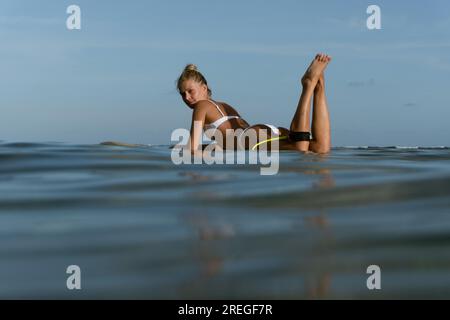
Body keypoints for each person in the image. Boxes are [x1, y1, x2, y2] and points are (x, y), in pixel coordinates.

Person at [177, 53, 332, 154]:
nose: (187, 97)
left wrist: (177, 148)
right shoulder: (223, 106)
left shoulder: (201, 106)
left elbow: (192, 148)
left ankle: (308, 86)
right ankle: (319, 86)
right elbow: (228, 140)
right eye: (183, 94)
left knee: (300, 149)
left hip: (255, 139)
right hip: (263, 133)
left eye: (190, 91)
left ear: (204, 88)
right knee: (320, 148)